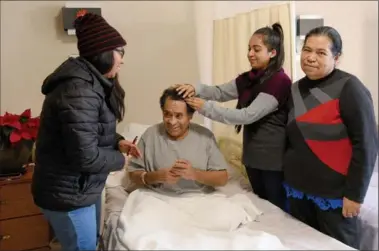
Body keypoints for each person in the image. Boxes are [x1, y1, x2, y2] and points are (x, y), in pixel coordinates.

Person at [31, 13, 140, 251]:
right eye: (119, 50)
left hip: (79, 190)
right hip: (68, 195)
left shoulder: (89, 82)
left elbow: (89, 132)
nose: (122, 60)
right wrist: (122, 160)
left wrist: (118, 142)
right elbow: (85, 156)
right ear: (103, 53)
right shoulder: (79, 90)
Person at [174, 23, 291, 210]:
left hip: (272, 160)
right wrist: (197, 89)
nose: (250, 54)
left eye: (256, 49)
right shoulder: (250, 78)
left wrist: (205, 108)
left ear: (273, 53)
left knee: (277, 212)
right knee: (261, 208)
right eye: (249, 49)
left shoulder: (279, 82)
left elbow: (247, 115)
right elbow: (220, 92)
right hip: (253, 157)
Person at [283, 26, 378, 249]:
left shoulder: (349, 87)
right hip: (297, 190)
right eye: (307, 50)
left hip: (335, 196)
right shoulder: (295, 89)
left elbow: (367, 145)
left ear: (336, 57)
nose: (311, 58)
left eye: (321, 53)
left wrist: (355, 195)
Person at [128, 88, 229, 194]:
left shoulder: (205, 136)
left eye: (179, 116)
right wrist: (156, 176)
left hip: (199, 198)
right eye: (167, 114)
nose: (172, 122)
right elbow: (132, 174)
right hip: (158, 198)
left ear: (190, 116)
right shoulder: (150, 135)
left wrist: (195, 174)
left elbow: (222, 179)